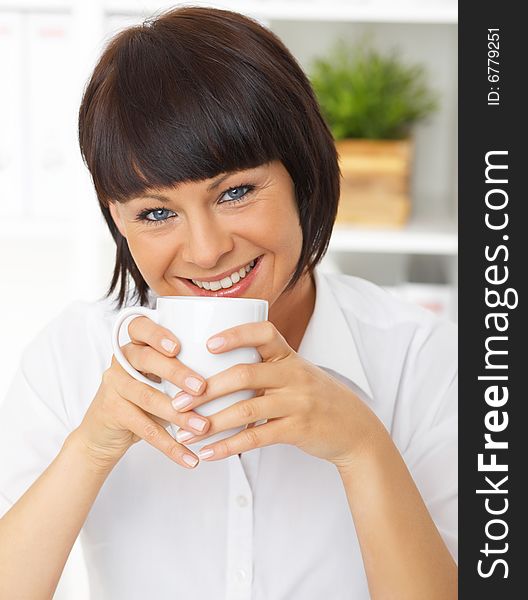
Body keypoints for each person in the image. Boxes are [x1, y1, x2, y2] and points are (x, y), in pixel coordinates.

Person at [0, 6, 457, 599]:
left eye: (236, 192)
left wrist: (362, 448)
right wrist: (92, 447)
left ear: (303, 172)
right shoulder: (71, 356)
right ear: (118, 224)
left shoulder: (425, 361)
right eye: (156, 213)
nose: (208, 250)